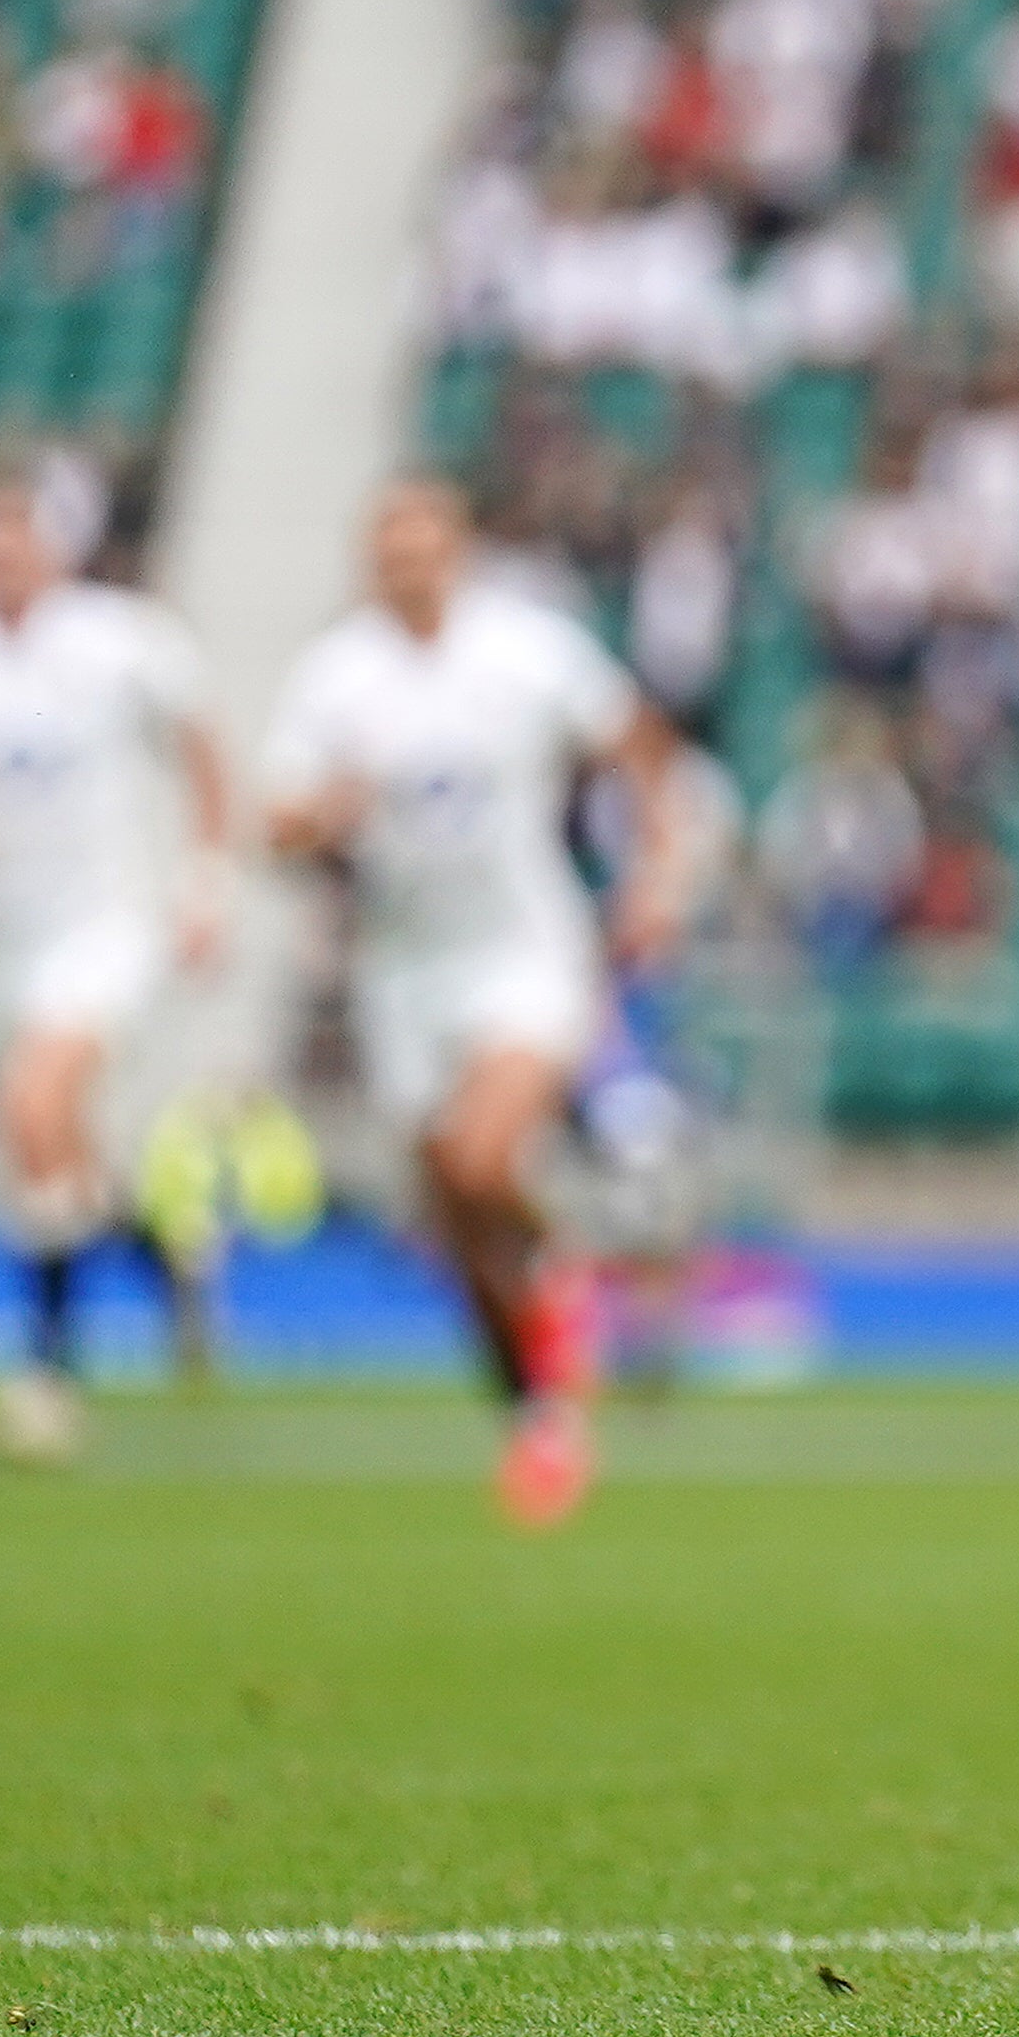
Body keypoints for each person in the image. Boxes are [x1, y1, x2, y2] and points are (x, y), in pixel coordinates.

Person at [263, 481, 689, 1526]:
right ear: (372, 563)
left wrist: (655, 875)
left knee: (480, 1156)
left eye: (426, 548)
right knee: (455, 1225)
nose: (410, 568)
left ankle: (573, 1264)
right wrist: (324, 815)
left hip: (524, 954)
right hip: (402, 975)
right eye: (391, 552)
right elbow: (278, 825)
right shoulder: (337, 678)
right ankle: (538, 1413)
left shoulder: (527, 651)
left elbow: (640, 746)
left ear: (458, 552)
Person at [0, 480, 233, 1463]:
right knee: (55, 1155)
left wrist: (205, 883)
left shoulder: (121, 640)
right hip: (4, 940)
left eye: (15, 535)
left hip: (105, 926)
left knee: (30, 1107)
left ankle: (50, 1369)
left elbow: (204, 749)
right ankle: (163, 1255)